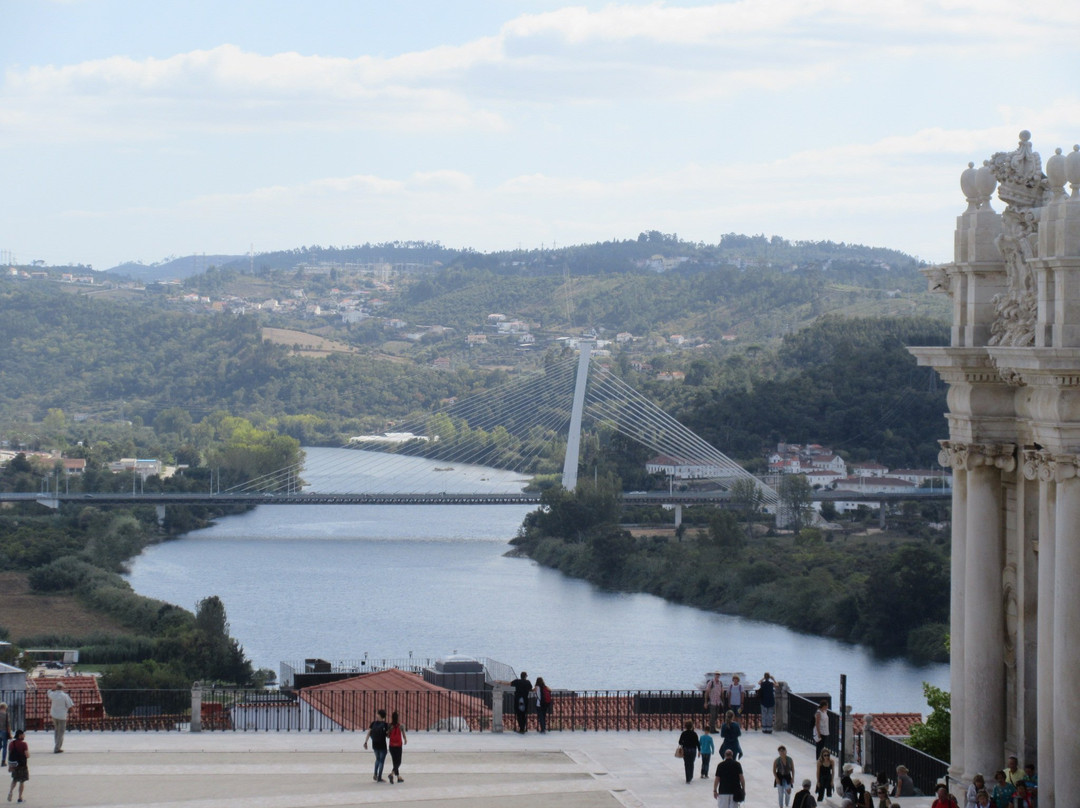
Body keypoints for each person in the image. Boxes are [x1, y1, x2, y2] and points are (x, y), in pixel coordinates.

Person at [362, 708, 389, 782]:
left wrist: (366, 742)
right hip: (382, 745)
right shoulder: (385, 725)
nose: (376, 715)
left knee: (377, 759)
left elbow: (369, 733)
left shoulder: (373, 723)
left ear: (379, 715)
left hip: (375, 745)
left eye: (377, 714)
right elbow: (387, 736)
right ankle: (379, 777)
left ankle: (375, 774)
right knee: (381, 761)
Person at [48, 681, 75, 753]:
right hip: (62, 716)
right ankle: (57, 748)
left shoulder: (53, 694)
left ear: (57, 687)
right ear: (62, 688)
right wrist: (74, 713)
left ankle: (57, 745)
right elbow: (70, 706)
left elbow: (49, 692)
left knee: (56, 731)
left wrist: (53, 689)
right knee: (61, 732)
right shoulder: (65, 696)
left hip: (54, 714)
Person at [6, 730, 27, 804]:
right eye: (23, 735)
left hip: (14, 764)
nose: (24, 736)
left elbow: (10, 755)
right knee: (21, 781)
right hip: (22, 765)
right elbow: (27, 755)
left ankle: (10, 792)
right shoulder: (24, 744)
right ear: (20, 735)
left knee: (14, 779)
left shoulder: (11, 744)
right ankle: (20, 797)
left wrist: (10, 765)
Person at [386, 711, 406, 784]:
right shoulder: (401, 726)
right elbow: (403, 734)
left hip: (391, 746)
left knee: (395, 762)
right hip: (398, 745)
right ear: (398, 718)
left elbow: (388, 736)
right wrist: (405, 739)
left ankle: (398, 777)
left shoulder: (389, 725)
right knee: (399, 762)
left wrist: (390, 731)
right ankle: (391, 774)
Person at [677, 719, 699, 784]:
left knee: (686, 763)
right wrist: (699, 750)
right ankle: (691, 775)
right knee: (691, 763)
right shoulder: (694, 734)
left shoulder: (683, 733)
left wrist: (684, 743)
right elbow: (697, 742)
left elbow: (680, 742)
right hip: (693, 750)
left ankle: (687, 777)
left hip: (686, 749)